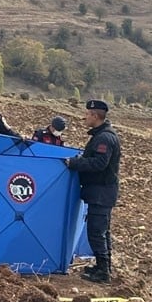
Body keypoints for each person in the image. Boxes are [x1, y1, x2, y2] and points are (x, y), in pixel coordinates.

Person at [64, 100, 122, 283]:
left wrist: (74, 163)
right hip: (100, 191)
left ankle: (103, 272)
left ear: (95, 116)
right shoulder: (102, 135)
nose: (85, 117)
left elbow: (99, 163)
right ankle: (103, 267)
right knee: (102, 231)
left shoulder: (104, 138)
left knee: (97, 232)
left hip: (101, 192)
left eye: (88, 114)